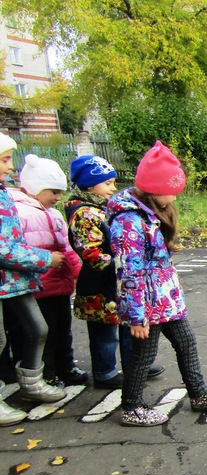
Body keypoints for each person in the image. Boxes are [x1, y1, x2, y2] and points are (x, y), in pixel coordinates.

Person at [106, 141, 207, 426]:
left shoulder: (150, 213)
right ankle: (132, 406)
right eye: (171, 191)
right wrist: (137, 317)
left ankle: (198, 394)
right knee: (144, 354)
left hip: (166, 299)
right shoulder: (129, 222)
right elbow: (129, 273)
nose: (174, 198)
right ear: (152, 188)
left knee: (186, 342)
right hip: (146, 305)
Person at [64, 155, 164, 389]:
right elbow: (91, 253)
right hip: (100, 283)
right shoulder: (84, 214)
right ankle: (105, 372)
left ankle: (134, 365)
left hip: (119, 282)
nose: (113, 188)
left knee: (128, 325)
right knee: (105, 333)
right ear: (90, 185)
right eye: (107, 183)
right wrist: (124, 264)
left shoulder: (104, 208)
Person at [0, 133, 67, 426]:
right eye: (4, 159)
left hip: (14, 280)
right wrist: (45, 260)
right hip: (14, 272)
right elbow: (3, 248)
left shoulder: (3, 192)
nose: (9, 166)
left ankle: (31, 383)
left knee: (37, 328)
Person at [12, 155, 85, 387]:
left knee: (63, 329)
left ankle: (66, 366)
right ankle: (47, 372)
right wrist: (45, 261)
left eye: (59, 191)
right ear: (34, 187)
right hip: (37, 286)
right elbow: (16, 251)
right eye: (52, 191)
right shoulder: (19, 213)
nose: (57, 197)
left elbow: (67, 247)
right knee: (44, 332)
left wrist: (76, 272)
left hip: (59, 285)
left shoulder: (54, 215)